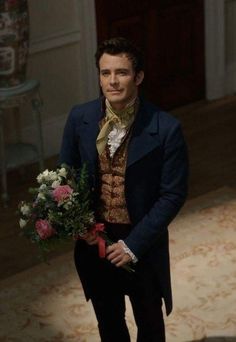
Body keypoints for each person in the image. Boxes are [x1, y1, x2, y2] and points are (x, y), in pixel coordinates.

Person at [59, 37, 188, 342]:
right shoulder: (80, 118)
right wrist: (81, 225)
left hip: (142, 241)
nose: (113, 81)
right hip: (95, 242)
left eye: (122, 72)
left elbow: (172, 194)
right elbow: (67, 175)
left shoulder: (166, 128)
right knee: (109, 325)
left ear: (139, 76)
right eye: (105, 73)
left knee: (150, 325)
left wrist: (133, 246)